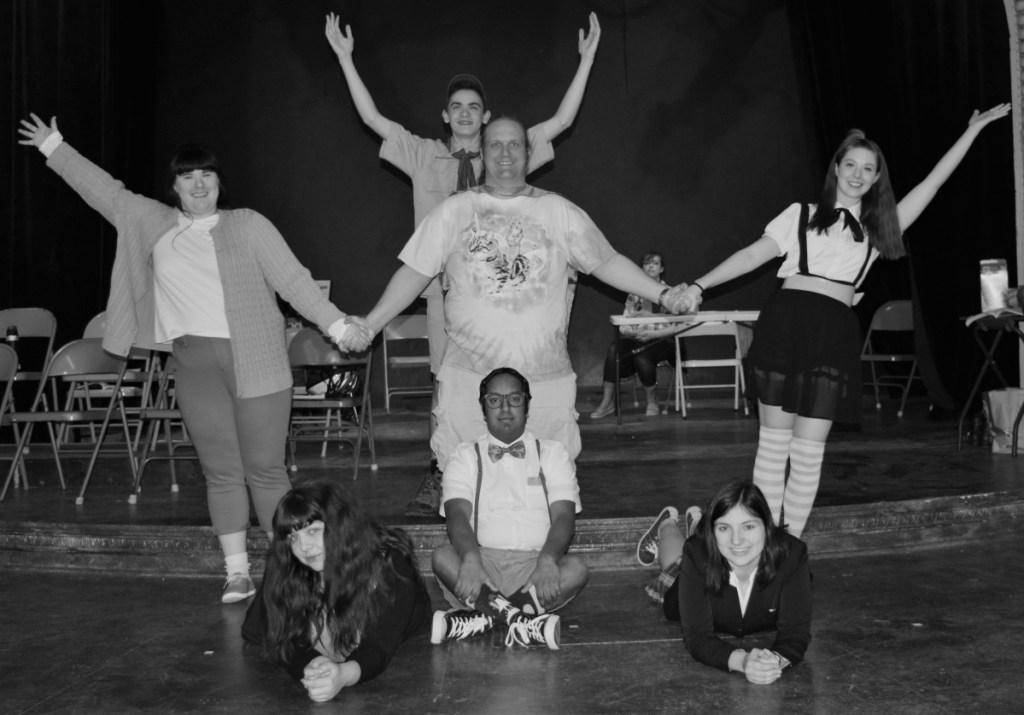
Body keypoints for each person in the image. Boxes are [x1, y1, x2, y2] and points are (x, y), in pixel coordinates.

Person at [18, 113, 369, 603]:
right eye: (188, 175)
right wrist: (54, 146)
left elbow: (294, 281)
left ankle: (293, 572)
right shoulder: (151, 222)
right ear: (174, 186)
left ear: (219, 182)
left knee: (265, 470)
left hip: (259, 360)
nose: (198, 183)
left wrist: (336, 325)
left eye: (207, 174)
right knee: (221, 472)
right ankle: (237, 572)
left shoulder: (247, 224)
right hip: (193, 363)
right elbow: (104, 189)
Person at [678, 104, 1011, 538]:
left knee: (809, 451)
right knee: (773, 448)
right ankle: (759, 546)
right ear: (836, 168)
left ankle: (789, 546)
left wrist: (973, 132)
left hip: (832, 332)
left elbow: (933, 183)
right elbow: (750, 256)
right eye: (850, 164)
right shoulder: (797, 214)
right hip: (786, 324)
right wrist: (698, 285)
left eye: (867, 168)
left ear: (876, 179)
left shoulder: (877, 228)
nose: (857, 173)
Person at [324, 12, 601, 515]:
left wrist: (586, 61)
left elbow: (560, 122)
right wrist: (345, 58)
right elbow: (372, 121)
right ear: (446, 116)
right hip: (439, 291)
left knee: (515, 381)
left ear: (488, 115)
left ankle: (523, 474)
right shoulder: (425, 155)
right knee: (448, 384)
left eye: (476, 106)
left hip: (506, 297)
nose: (467, 114)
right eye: (457, 107)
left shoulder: (507, 153)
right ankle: (445, 472)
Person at [348, 117, 692, 487]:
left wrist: (664, 294)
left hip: (543, 380)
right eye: (495, 144)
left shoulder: (559, 211)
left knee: (547, 490)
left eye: (514, 144)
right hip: (470, 381)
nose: (505, 153)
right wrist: (370, 323)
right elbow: (414, 272)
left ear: (528, 154)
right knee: (465, 488)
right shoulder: (454, 211)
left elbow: (605, 261)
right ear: (482, 152)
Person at [429, 367, 587, 649]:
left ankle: (483, 617)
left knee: (576, 568)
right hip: (481, 565)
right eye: (494, 400)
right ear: (483, 407)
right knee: (443, 556)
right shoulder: (464, 455)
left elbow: (564, 516)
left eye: (514, 399)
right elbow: (457, 516)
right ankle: (523, 620)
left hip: (534, 567)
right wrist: (470, 558)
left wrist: (549, 559)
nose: (504, 408)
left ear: (527, 405)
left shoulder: (553, 453)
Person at [242, 483, 430, 702]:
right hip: (320, 620)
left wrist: (344, 675)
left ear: (337, 527)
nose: (304, 547)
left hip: (396, 625)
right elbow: (285, 639)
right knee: (264, 625)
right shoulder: (287, 562)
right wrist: (311, 666)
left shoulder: (387, 563)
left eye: (313, 531)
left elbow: (379, 646)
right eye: (293, 537)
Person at [638, 482, 811, 684]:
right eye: (724, 527)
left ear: (766, 526)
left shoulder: (793, 556)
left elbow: (796, 633)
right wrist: (744, 661)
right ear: (715, 531)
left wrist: (773, 662)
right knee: (674, 568)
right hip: (704, 560)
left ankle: (699, 525)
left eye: (748, 526)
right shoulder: (696, 555)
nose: (736, 540)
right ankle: (667, 525)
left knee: (706, 546)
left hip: (714, 549)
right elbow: (697, 637)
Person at [591, 251, 678, 419]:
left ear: (662, 269)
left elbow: (678, 326)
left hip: (661, 340)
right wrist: (630, 330)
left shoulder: (671, 294)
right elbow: (624, 323)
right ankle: (607, 401)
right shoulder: (634, 294)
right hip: (638, 338)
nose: (650, 266)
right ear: (641, 269)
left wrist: (652, 334)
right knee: (614, 349)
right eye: (646, 263)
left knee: (642, 355)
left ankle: (652, 399)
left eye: (655, 263)